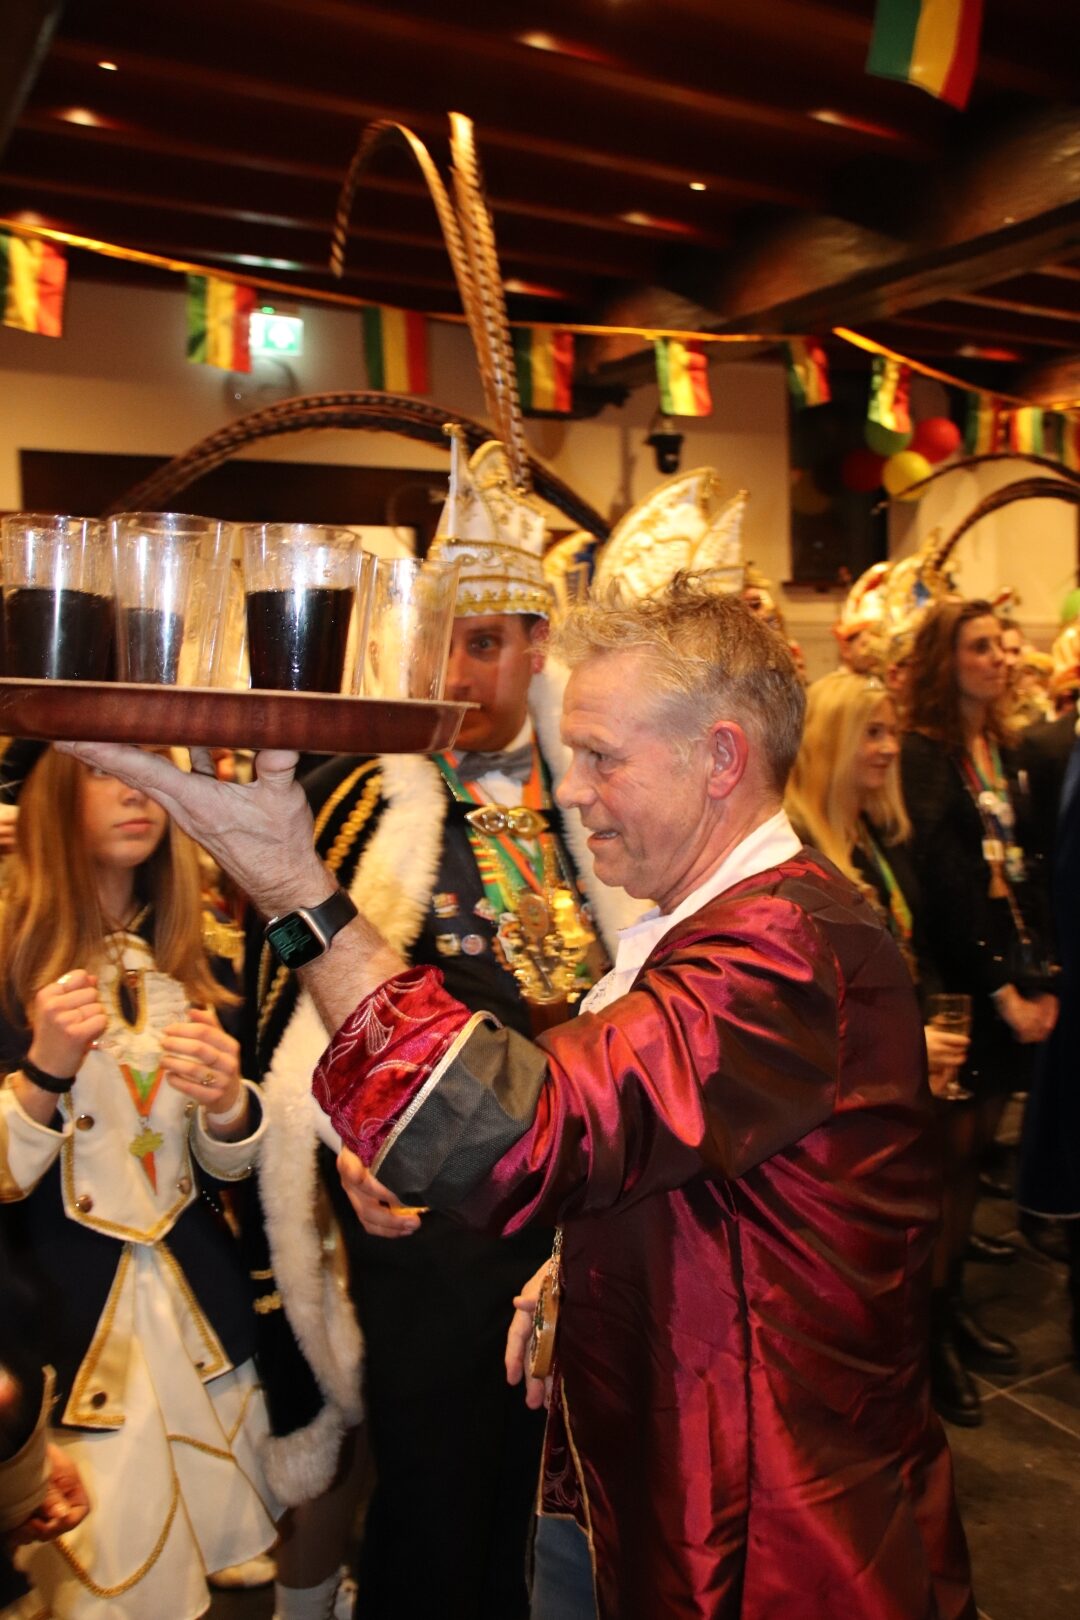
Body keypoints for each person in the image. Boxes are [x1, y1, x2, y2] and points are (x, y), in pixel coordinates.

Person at [65, 583, 976, 1620]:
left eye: (602, 757)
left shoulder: (781, 949)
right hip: (695, 1478)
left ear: (721, 758)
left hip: (770, 1527)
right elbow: (693, 1167)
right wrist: (578, 1264)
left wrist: (291, 886)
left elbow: (525, 1134)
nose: (572, 789)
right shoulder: (727, 924)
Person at [244, 438, 637, 1620]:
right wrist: (344, 1140)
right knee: (435, 1493)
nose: (452, 673)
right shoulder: (352, 796)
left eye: (482, 644)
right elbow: (295, 1021)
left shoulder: (603, 797)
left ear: (538, 645)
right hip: (428, 1228)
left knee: (566, 1490)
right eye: (437, 643)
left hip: (584, 1206)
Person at [0, 749, 279, 1619]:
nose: (136, 789)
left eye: (155, 764)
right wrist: (41, 1073)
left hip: (201, 1315)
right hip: (60, 1329)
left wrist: (231, 1106)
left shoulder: (204, 953)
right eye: (102, 769)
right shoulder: (6, 954)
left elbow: (222, 1168)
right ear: (48, 788)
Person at [786, 671, 986, 1424]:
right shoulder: (798, 849)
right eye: (873, 732)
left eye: (893, 731)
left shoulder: (874, 836)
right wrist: (904, 1044)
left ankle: (926, 1347)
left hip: (891, 1081)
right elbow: (805, 1001)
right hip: (835, 1104)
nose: (890, 748)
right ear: (830, 740)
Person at [899, 600, 1058, 1413]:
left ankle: (952, 1305)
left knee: (971, 1163)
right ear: (945, 661)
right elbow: (944, 886)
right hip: (961, 983)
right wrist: (1000, 988)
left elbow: (1025, 863)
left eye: (1002, 645)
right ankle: (926, 1338)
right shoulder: (925, 754)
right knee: (945, 1166)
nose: (1000, 658)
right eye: (980, 646)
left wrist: (1039, 977)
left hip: (1009, 974)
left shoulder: (1001, 747)